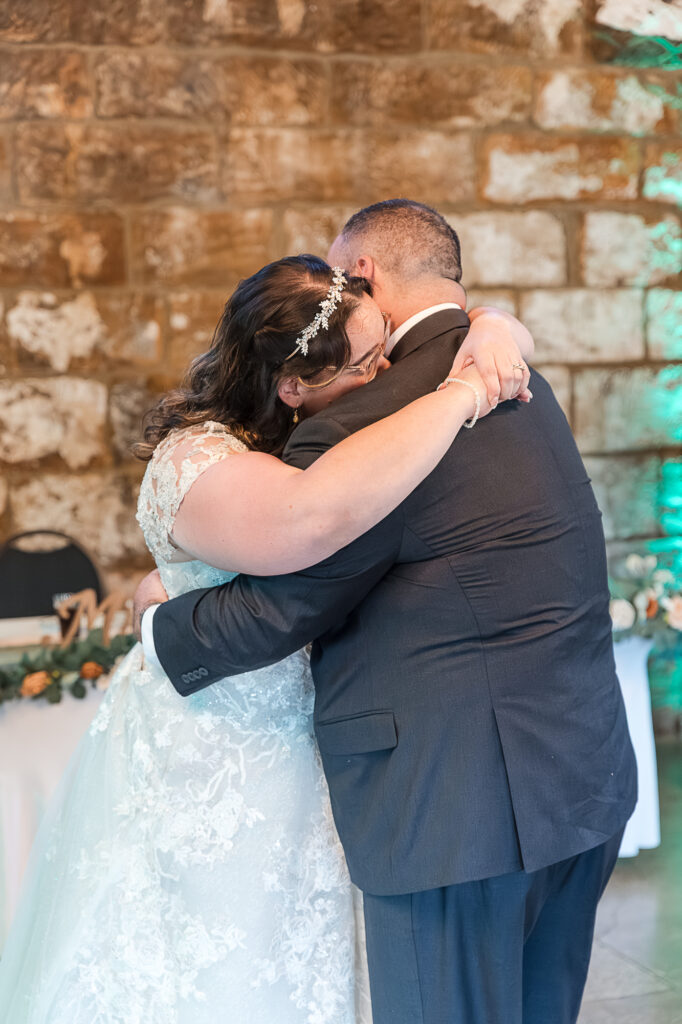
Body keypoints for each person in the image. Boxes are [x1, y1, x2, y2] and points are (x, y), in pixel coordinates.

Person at [138, 200, 638, 1024]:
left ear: (360, 276)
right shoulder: (515, 370)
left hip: (459, 820)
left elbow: (276, 611)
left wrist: (160, 624)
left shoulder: (361, 421)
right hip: (581, 782)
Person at [0, 250, 533, 1023]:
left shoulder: (306, 424)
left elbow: (442, 329)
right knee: (219, 959)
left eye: (384, 342)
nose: (385, 368)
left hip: (295, 748)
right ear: (293, 384)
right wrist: (458, 392)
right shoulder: (198, 460)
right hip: (213, 755)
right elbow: (309, 521)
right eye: (366, 359)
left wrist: (489, 323)